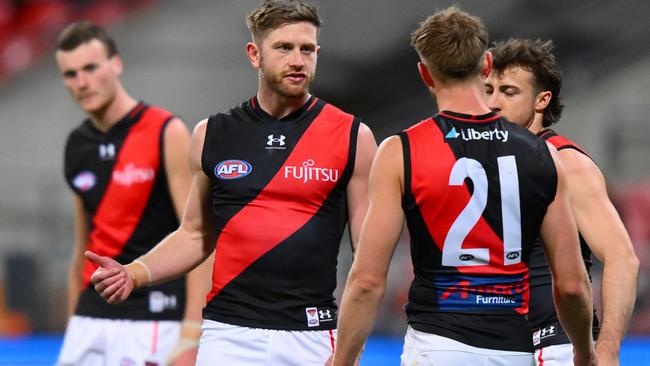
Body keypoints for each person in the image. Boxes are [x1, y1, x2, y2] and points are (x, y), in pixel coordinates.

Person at [84, 1, 377, 365]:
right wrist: (134, 273)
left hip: (313, 336)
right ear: (254, 54)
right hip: (228, 334)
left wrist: (351, 350)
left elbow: (369, 260)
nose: (298, 60)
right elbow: (195, 234)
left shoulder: (353, 137)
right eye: (284, 48)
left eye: (307, 49)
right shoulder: (212, 134)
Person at [332, 7, 598, 366]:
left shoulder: (401, 152)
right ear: (487, 64)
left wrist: (343, 360)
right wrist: (585, 353)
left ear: (425, 74)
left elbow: (366, 281)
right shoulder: (543, 155)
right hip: (513, 348)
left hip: (436, 344)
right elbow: (570, 285)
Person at [55, 21, 211, 366]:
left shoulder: (165, 131)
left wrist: (190, 334)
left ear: (116, 64)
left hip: (155, 318)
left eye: (90, 68)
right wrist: (74, 323)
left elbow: (198, 236)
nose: (81, 82)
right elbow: (83, 247)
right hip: (91, 319)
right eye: (70, 74)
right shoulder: (76, 145)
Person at [485, 38, 639, 365]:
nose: (494, 102)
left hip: (556, 346)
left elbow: (622, 258)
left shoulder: (568, 163)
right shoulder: (483, 164)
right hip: (493, 345)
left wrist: (608, 351)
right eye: (488, 91)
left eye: (508, 92)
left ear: (542, 100)